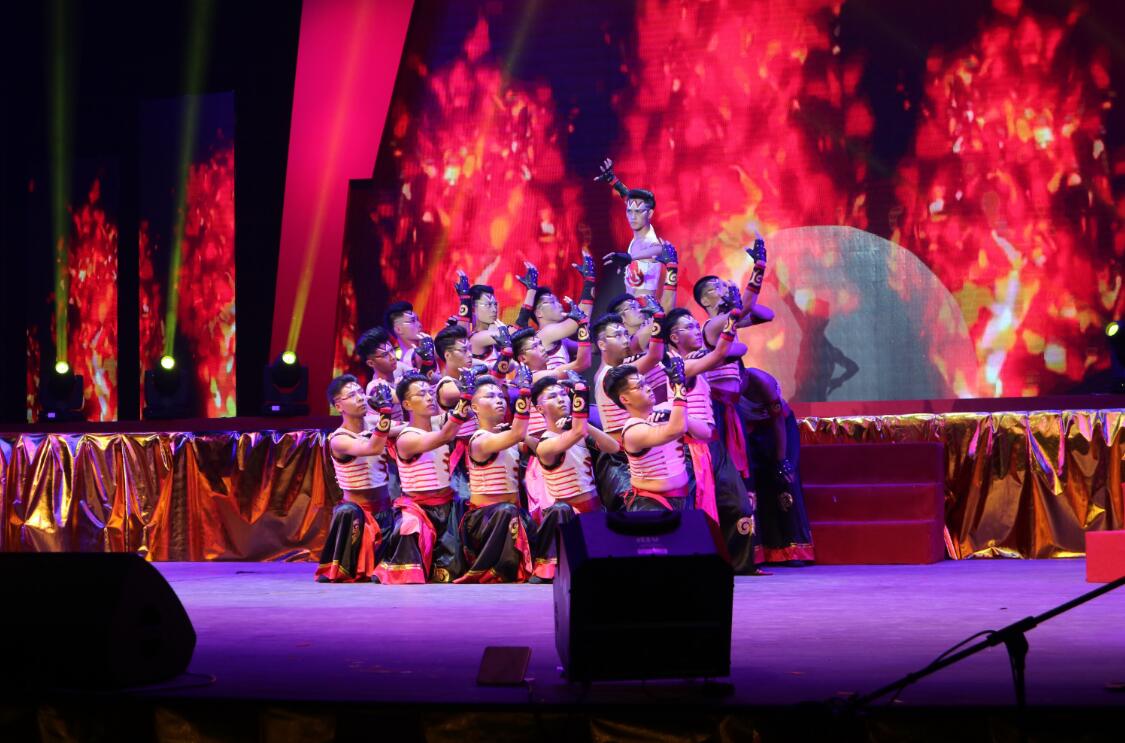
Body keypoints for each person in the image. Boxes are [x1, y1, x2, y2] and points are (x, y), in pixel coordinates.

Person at [374, 373, 470, 583]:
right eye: (421, 394)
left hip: (447, 506)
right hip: (419, 508)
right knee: (409, 527)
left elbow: (464, 415)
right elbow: (445, 435)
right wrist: (465, 398)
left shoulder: (438, 423)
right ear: (407, 404)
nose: (429, 397)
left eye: (430, 392)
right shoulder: (407, 438)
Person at [526, 374, 619, 579]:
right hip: (567, 517)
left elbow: (613, 447)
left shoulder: (579, 433)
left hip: (594, 511)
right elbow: (575, 434)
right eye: (552, 397)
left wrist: (586, 426)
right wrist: (581, 394)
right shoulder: (545, 445)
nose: (561, 399)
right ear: (540, 409)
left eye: (563, 394)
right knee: (561, 509)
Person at [456, 370, 543, 583]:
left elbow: (540, 450)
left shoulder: (507, 438)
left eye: (500, 396)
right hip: (486, 520)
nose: (499, 401)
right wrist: (525, 394)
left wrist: (523, 436)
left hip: (511, 514)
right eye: (490, 396)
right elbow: (516, 434)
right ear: (475, 407)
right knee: (506, 511)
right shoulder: (479, 440)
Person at [315, 375, 394, 583]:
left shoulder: (374, 423)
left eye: (360, 392)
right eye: (351, 395)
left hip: (385, 510)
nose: (360, 398)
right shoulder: (339, 439)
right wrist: (386, 413)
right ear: (338, 406)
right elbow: (372, 447)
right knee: (347, 511)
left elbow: (406, 427)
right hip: (358, 515)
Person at [740, 368, 815, 565]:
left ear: (744, 374)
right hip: (751, 433)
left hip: (778, 431)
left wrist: (781, 459)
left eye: (737, 378)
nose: (734, 384)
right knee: (756, 486)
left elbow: (778, 421)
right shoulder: (724, 382)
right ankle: (766, 552)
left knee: (784, 481)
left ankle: (795, 551)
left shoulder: (762, 382)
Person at [603, 359, 692, 511]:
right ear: (624, 399)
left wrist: (672, 413)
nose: (649, 388)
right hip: (651, 505)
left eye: (646, 383)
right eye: (640, 386)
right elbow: (677, 429)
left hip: (684, 497)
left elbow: (706, 433)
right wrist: (679, 386)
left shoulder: (666, 409)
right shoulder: (632, 430)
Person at [595, 158, 665, 298]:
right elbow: (631, 202)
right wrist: (614, 181)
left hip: (646, 310)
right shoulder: (638, 237)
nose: (633, 216)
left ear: (650, 214)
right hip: (632, 307)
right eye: (629, 211)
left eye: (638, 212)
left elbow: (659, 249)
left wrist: (630, 257)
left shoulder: (648, 240)